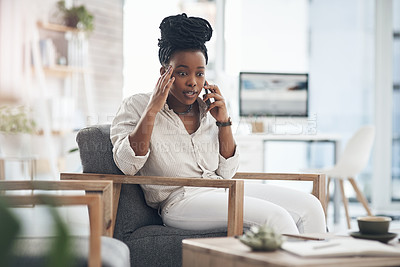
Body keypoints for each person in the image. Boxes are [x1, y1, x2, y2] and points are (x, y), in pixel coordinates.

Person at [111, 13, 326, 234]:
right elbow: (127, 165)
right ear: (164, 73)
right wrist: (152, 110)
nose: (193, 82)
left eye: (200, 73)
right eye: (183, 73)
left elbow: (227, 172)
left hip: (222, 189)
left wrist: (224, 122)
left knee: (311, 207)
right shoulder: (136, 105)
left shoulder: (208, 108)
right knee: (277, 218)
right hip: (180, 202)